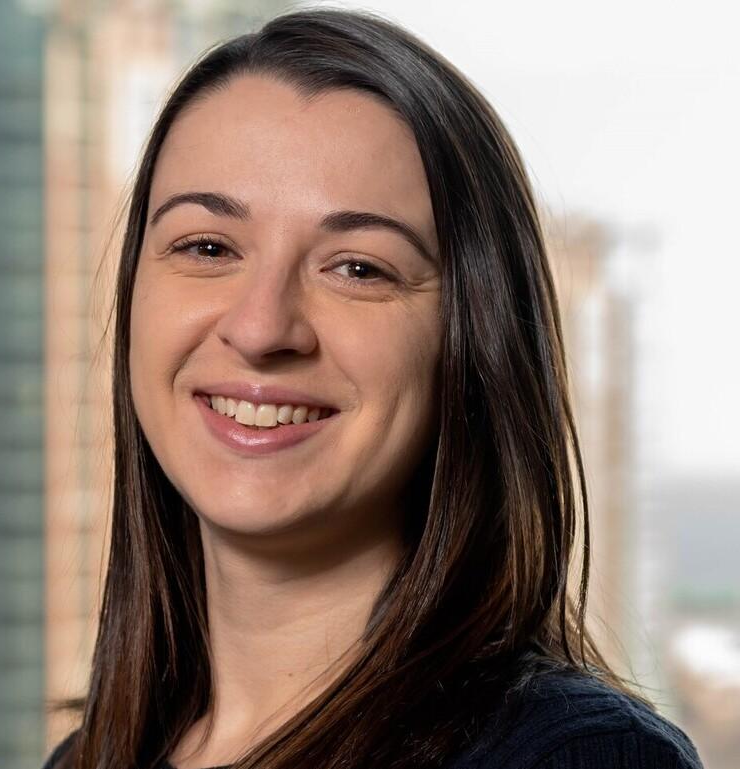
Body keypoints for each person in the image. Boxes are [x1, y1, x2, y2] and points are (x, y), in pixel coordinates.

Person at [42, 8, 703, 769]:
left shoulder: (572, 757)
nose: (261, 328)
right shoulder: (91, 755)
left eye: (358, 267)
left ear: (470, 344)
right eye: (207, 246)